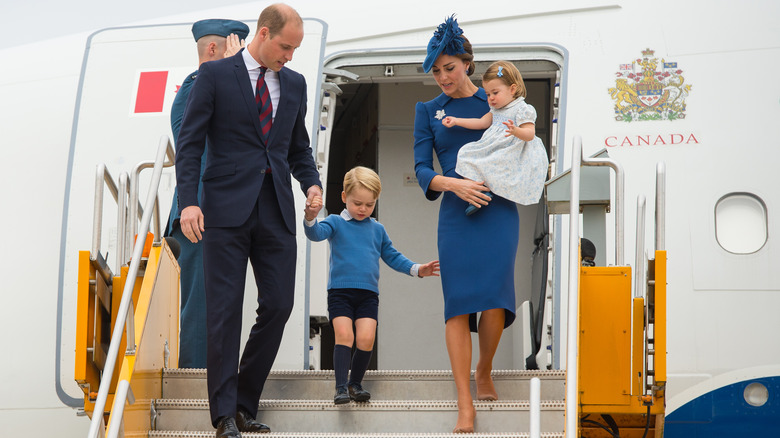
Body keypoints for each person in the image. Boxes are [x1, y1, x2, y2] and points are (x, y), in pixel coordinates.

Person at [174, 4, 323, 438]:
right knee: (223, 312)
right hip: (223, 210)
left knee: (279, 305)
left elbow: (297, 149)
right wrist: (189, 202)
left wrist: (311, 186)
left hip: (276, 209)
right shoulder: (215, 76)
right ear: (263, 34)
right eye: (285, 46)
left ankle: (243, 402)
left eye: (296, 48)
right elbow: (191, 143)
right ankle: (222, 415)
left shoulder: (293, 84)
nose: (290, 56)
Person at [413, 16, 519, 433]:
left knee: (495, 299)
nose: (442, 77)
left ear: (468, 64)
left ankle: (485, 368)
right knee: (457, 305)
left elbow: (522, 151)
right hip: (455, 215)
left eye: (449, 68)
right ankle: (464, 403)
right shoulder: (427, 111)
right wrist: (454, 183)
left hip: (497, 210)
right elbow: (422, 170)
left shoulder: (495, 102)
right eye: (436, 70)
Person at [302, 166, 440, 405]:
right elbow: (315, 234)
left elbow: (393, 257)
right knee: (344, 335)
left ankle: (356, 384)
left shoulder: (377, 229)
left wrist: (418, 269)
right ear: (344, 197)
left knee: (366, 339)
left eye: (369, 204)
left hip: (368, 295)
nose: (363, 209)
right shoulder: (335, 222)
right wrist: (310, 217)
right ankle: (341, 387)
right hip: (340, 293)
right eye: (357, 203)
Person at [165, 18, 249, 369]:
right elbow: (193, 146)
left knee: (218, 304)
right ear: (214, 49)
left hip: (219, 213)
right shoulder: (197, 85)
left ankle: (214, 381)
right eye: (238, 51)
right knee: (201, 304)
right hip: (199, 213)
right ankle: (198, 383)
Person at [442, 60, 548, 215]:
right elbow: (481, 122)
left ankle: (484, 192)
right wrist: (457, 121)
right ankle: (480, 191)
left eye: (495, 93)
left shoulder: (522, 109)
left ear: (512, 89)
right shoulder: (495, 110)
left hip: (510, 149)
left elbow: (530, 134)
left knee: (495, 165)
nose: (490, 98)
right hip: (495, 147)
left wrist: (515, 131)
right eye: (488, 94)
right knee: (466, 153)